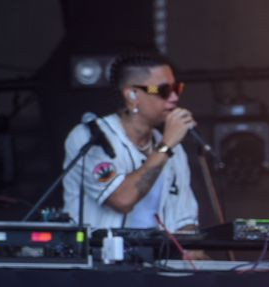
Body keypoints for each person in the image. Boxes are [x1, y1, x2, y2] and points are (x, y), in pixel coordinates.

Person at [62, 52, 199, 233]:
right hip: (100, 250)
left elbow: (185, 219)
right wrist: (165, 147)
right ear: (132, 95)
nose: (174, 97)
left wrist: (192, 248)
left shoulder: (174, 148)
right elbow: (122, 200)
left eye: (177, 88)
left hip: (159, 250)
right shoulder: (89, 138)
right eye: (164, 90)